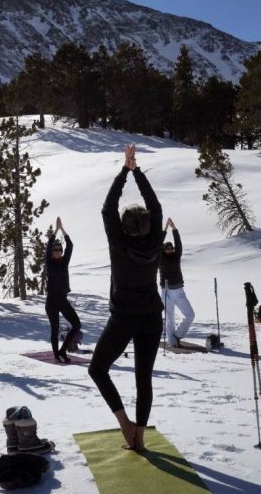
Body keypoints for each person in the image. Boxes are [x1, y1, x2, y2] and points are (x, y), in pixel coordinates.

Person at [88, 144, 164, 452]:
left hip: (123, 318)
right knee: (143, 379)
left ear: (124, 227)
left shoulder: (119, 243)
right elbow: (155, 206)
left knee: (97, 369)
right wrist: (137, 173)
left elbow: (107, 208)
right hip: (151, 318)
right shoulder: (155, 240)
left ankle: (125, 426)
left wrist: (125, 170)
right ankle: (140, 437)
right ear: (148, 226)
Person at [44, 216, 81, 363]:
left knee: (77, 324)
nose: (58, 251)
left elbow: (70, 246)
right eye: (56, 249)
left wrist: (62, 230)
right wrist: (55, 231)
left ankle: (62, 351)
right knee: (54, 329)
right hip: (52, 301)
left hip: (63, 300)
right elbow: (48, 247)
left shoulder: (64, 262)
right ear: (52, 251)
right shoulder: (49, 262)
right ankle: (56, 354)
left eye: (60, 249)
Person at [160, 217, 195, 347]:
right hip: (167, 291)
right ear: (163, 250)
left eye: (171, 248)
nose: (170, 250)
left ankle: (178, 335)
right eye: (167, 248)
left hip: (179, 291)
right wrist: (165, 229)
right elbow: (158, 244)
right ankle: (172, 343)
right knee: (170, 319)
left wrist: (174, 228)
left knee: (190, 315)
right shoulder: (161, 259)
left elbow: (178, 243)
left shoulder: (176, 256)